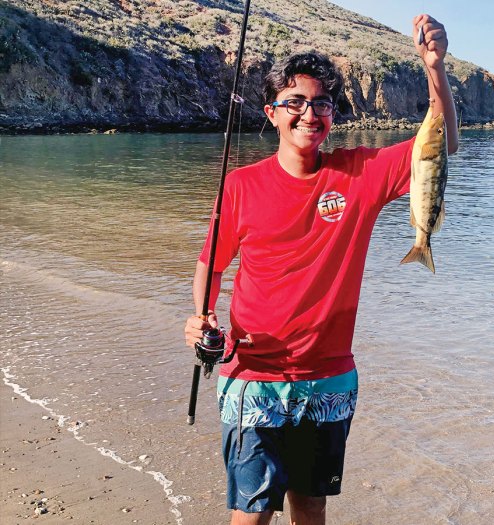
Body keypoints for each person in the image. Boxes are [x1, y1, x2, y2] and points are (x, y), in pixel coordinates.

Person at [184, 14, 458, 525]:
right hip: (253, 377)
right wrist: (201, 318)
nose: (310, 114)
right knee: (251, 514)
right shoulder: (242, 186)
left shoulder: (360, 173)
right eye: (296, 102)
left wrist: (434, 69)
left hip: (328, 378)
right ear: (271, 113)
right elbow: (211, 264)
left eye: (322, 103)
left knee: (310, 509)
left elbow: (439, 146)